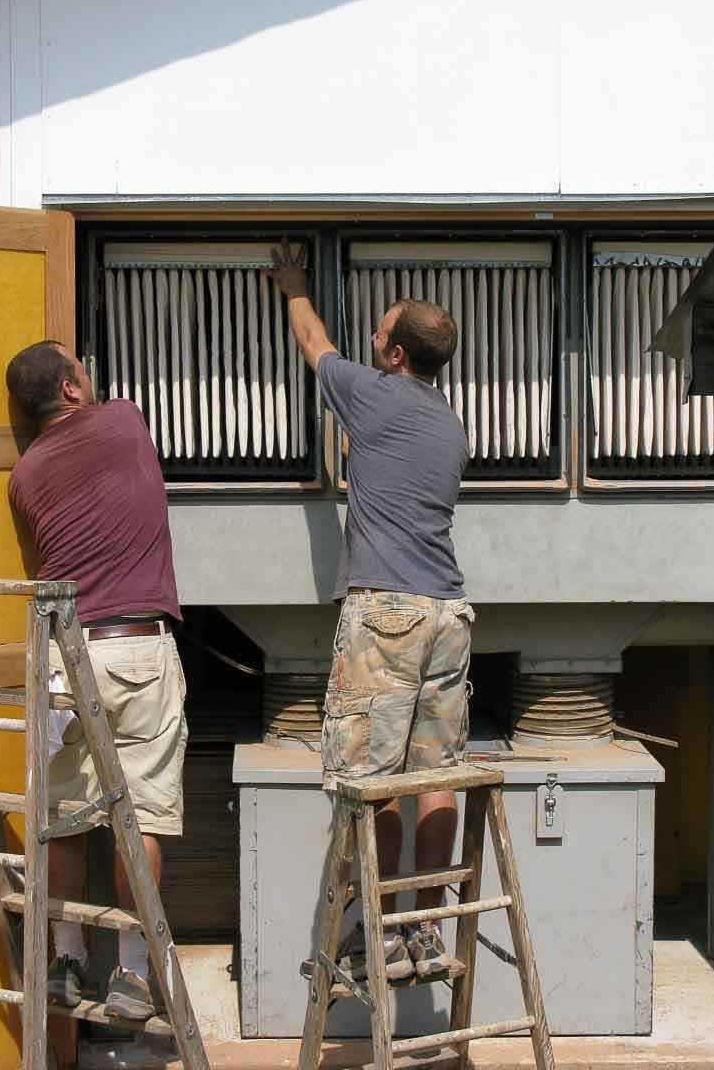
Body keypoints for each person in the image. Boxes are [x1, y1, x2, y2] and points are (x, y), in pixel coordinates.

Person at [269, 240, 473, 982]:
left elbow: (312, 340)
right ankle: (426, 927)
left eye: (380, 334)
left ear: (392, 357)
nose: (371, 341)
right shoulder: (449, 426)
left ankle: (381, 932)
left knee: (376, 774)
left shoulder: (372, 392)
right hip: (450, 613)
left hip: (386, 611)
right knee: (437, 771)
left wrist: (293, 285)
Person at [6, 340, 187, 1020]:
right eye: (81, 366)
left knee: (62, 818)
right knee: (137, 817)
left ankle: (66, 958)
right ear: (73, 390)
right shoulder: (123, 421)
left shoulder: (22, 476)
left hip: (63, 657)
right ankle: (134, 975)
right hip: (137, 649)